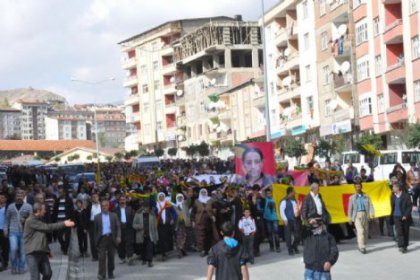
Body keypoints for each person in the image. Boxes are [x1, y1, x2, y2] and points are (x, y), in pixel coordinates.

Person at [24, 202, 75, 280]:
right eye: (43, 210)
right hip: (32, 254)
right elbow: (47, 227)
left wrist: (48, 250)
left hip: (42, 252)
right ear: (38, 210)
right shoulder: (30, 220)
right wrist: (64, 223)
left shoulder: (40, 219)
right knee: (35, 277)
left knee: (48, 273)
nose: (45, 211)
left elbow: (41, 237)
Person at [4, 189, 33, 274]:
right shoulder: (10, 207)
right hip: (13, 231)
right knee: (13, 249)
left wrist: (26, 220)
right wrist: (5, 230)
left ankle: (21, 268)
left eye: (21, 195)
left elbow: (32, 220)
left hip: (24, 232)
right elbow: (7, 220)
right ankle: (13, 266)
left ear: (24, 197)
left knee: (22, 251)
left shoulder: (28, 207)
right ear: (15, 197)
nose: (19, 197)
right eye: (17, 196)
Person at [94, 199, 121, 280]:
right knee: (102, 257)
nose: (104, 207)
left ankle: (110, 272)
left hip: (111, 238)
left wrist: (118, 236)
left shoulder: (114, 215)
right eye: (102, 206)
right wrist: (96, 241)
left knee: (111, 257)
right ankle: (101, 274)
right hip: (102, 239)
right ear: (101, 207)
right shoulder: (97, 217)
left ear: (108, 206)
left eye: (106, 205)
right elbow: (95, 230)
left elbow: (118, 227)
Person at [348, 182, 374, 254]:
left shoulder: (366, 196)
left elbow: (370, 205)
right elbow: (350, 209)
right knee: (360, 231)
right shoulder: (352, 198)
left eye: (359, 187)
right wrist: (349, 218)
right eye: (356, 187)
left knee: (365, 231)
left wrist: (372, 214)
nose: (358, 188)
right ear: (354, 188)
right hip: (356, 215)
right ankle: (361, 247)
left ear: (361, 187)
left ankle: (363, 244)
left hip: (365, 214)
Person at [132, 200, 158, 267]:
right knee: (143, 248)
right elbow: (134, 224)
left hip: (150, 234)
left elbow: (155, 226)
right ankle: (144, 259)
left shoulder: (152, 214)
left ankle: (150, 261)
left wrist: (156, 236)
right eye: (145, 207)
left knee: (150, 248)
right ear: (143, 207)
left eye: (148, 207)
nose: (146, 208)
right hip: (141, 234)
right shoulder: (138, 214)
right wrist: (139, 227)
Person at [191, 188, 215, 257]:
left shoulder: (210, 200)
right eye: (202, 192)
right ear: (200, 193)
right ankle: (202, 250)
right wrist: (193, 220)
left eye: (205, 192)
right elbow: (193, 212)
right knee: (200, 236)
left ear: (207, 193)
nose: (204, 193)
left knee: (209, 235)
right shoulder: (196, 201)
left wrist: (213, 215)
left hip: (209, 221)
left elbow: (214, 209)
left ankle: (208, 250)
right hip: (200, 220)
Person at [390, 183, 412, 253]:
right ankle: (401, 246)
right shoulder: (393, 196)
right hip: (396, 216)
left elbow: (409, 207)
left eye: (393, 187)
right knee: (399, 232)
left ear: (398, 188)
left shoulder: (406, 196)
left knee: (405, 231)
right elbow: (392, 206)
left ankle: (405, 245)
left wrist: (405, 215)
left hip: (404, 217)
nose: (392, 189)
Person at [280, 186, 301, 255]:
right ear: (290, 192)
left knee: (297, 235)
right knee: (288, 236)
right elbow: (281, 211)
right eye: (293, 191)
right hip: (288, 221)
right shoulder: (284, 201)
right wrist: (285, 219)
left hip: (295, 220)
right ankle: (290, 249)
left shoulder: (295, 200)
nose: (294, 193)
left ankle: (294, 246)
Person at [52, 187, 73, 255]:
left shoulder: (69, 200)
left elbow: (72, 211)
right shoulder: (57, 200)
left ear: (64, 193)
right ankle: (64, 246)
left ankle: (65, 250)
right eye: (59, 192)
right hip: (59, 222)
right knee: (59, 236)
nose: (60, 194)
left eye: (61, 192)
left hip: (67, 221)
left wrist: (72, 221)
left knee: (67, 237)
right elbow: (54, 211)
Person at [114, 195, 135, 265]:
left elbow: (133, 218)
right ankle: (122, 258)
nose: (122, 201)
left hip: (128, 228)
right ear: (119, 201)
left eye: (123, 200)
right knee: (121, 244)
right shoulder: (116, 210)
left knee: (129, 243)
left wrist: (132, 227)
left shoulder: (130, 209)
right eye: (121, 200)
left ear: (126, 201)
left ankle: (130, 258)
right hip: (119, 229)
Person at [156, 192, 177, 261]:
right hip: (160, 225)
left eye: (162, 196)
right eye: (160, 196)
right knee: (162, 239)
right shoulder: (156, 205)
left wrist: (173, 219)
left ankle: (166, 252)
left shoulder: (168, 204)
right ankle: (163, 253)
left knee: (167, 238)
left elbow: (174, 213)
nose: (161, 197)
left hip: (167, 224)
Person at [262, 189, 280, 253]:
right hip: (268, 219)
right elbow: (262, 191)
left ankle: (278, 247)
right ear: (266, 194)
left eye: (270, 193)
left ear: (272, 193)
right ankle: (271, 246)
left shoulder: (275, 198)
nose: (269, 194)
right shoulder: (265, 199)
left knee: (276, 233)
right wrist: (268, 186)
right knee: (269, 233)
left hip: (275, 218)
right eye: (268, 193)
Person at [174, 193, 191, 258]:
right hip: (178, 224)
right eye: (178, 197)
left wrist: (187, 195)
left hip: (185, 223)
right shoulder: (175, 206)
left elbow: (189, 200)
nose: (180, 198)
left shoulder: (185, 204)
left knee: (185, 237)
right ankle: (180, 251)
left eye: (181, 197)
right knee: (179, 237)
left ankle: (183, 250)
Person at [88, 192, 101, 261]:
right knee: (93, 240)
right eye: (93, 197)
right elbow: (85, 216)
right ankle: (95, 256)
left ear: (98, 197)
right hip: (92, 224)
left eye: (96, 197)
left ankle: (101, 254)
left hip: (101, 223)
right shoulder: (89, 206)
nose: (95, 198)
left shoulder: (102, 205)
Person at [0, 192, 9, 272]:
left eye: (2, 197)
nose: (0, 199)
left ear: (5, 199)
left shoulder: (8, 207)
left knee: (5, 248)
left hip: (4, 230)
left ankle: (5, 263)